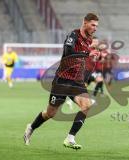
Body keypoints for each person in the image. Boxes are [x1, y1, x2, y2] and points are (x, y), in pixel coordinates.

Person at [23, 13, 100, 150]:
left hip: (76, 82)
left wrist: (92, 60)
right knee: (50, 113)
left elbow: (83, 60)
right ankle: (31, 127)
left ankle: (70, 138)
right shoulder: (73, 36)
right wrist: (88, 54)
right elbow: (68, 52)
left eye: (97, 26)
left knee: (87, 105)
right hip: (62, 81)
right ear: (85, 22)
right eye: (93, 25)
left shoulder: (89, 40)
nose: (95, 28)